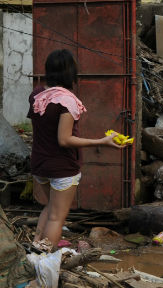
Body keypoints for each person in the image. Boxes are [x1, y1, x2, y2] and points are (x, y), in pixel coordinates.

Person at [28, 50, 127, 252]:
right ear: (70, 72)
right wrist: (102, 141)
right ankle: (44, 258)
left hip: (39, 164)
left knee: (50, 207)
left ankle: (35, 248)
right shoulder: (67, 101)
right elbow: (64, 140)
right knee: (57, 218)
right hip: (62, 167)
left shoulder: (37, 95)